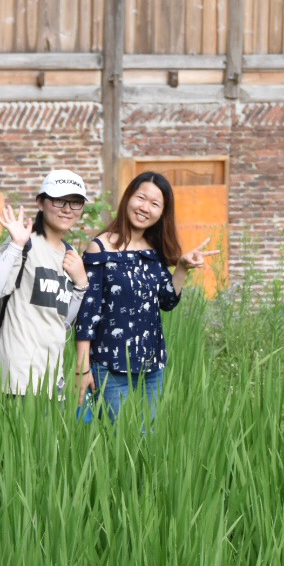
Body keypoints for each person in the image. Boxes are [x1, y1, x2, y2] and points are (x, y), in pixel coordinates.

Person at [74, 171, 213, 422]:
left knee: (149, 437)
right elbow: (88, 312)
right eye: (141, 198)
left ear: (162, 213)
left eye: (155, 204)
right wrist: (83, 368)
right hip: (111, 366)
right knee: (118, 438)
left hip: (152, 367)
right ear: (128, 198)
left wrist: (181, 268)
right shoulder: (100, 248)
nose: (145, 208)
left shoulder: (153, 252)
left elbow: (167, 302)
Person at [0, 169, 90, 397]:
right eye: (59, 200)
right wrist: (16, 245)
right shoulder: (24, 243)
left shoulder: (71, 255)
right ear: (41, 202)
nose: (67, 209)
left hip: (51, 379)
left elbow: (63, 323)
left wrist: (80, 284)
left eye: (76, 202)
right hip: (15, 377)